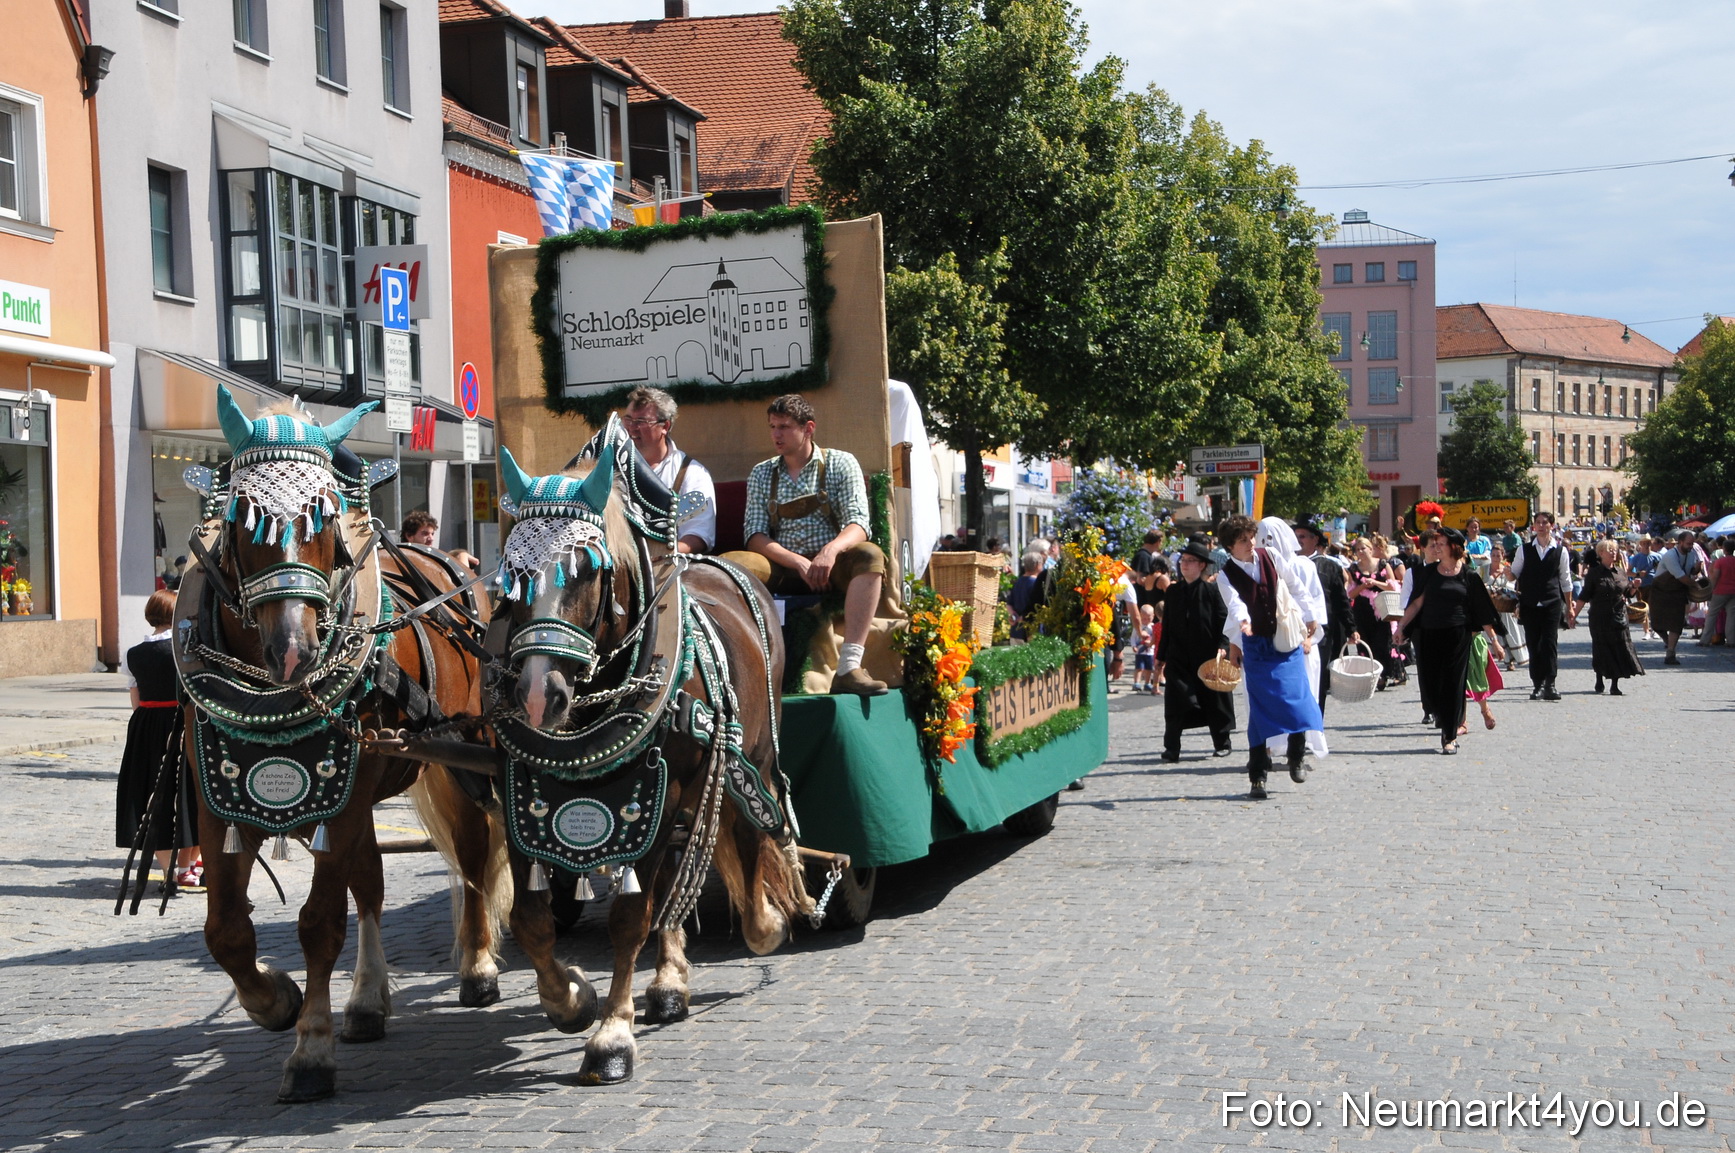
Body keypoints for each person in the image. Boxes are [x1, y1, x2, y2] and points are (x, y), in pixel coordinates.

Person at [728, 394, 889, 695]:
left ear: (808, 428)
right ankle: (733, 666)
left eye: (785, 427)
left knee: (870, 556)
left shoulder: (841, 463)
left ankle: (849, 667)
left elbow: (859, 524)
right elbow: (755, 536)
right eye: (773, 426)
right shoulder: (763, 472)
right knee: (731, 563)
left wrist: (829, 552)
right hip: (784, 566)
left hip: (832, 567)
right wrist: (798, 563)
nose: (776, 434)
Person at [1217, 515, 1323, 799]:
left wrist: (1310, 614)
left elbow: (1294, 584)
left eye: (1251, 537)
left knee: (1298, 700)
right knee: (1260, 711)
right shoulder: (1226, 574)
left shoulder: (1271, 555)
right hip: (1257, 647)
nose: (1251, 543)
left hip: (1285, 641)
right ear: (1230, 546)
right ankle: (1258, 775)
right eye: (1243, 540)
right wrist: (1243, 625)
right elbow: (1235, 604)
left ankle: (1297, 754)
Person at [116, 590, 201, 892]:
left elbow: (136, 700)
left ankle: (169, 873)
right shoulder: (185, 649)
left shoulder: (134, 653)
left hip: (147, 728)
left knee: (155, 798)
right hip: (183, 724)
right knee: (192, 795)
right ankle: (186, 867)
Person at [1393, 529, 1505, 754]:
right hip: (1430, 634)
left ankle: (1449, 736)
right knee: (1434, 685)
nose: (1437, 547)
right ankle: (1442, 717)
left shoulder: (1468, 575)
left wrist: (1495, 641)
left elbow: (1482, 611)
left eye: (1441, 543)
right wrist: (1402, 626)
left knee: (1454, 684)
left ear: (1453, 547)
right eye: (1435, 543)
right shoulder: (1429, 574)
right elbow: (1416, 604)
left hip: (1458, 636)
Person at [1154, 534, 1235, 762]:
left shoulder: (1211, 591)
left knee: (1214, 700)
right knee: (1176, 701)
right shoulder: (1173, 591)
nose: (1184, 564)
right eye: (1183, 560)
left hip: (1207, 655)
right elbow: (1167, 625)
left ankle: (1222, 742)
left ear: (1201, 566)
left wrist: (1223, 647)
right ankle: (1172, 748)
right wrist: (1161, 657)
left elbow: (1223, 621)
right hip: (1179, 656)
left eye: (1190, 561)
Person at [621, 385, 717, 554]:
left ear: (665, 426)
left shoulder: (691, 473)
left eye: (641, 422)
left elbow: (698, 535)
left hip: (667, 568)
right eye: (628, 419)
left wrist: (660, 557)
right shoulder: (610, 468)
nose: (631, 428)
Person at [1292, 518, 1356, 732]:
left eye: (1303, 536)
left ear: (1314, 540)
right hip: (1290, 630)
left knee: (1317, 679)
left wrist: (1351, 628)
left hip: (1321, 632)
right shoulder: (1285, 564)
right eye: (1296, 536)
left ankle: (1313, 724)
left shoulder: (1328, 565)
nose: (1298, 540)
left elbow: (1340, 600)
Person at [1510, 511, 1573, 699]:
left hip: (1552, 602)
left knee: (1549, 643)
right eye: (1538, 522)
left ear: (1551, 526)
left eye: (1545, 523)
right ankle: (1537, 684)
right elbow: (1515, 573)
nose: (1542, 526)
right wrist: (1507, 574)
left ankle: (1550, 684)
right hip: (1529, 602)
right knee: (1533, 643)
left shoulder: (1560, 551)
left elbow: (1566, 580)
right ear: (1534, 526)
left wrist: (1569, 606)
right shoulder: (1524, 549)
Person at [1570, 538, 1645, 694]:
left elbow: (1626, 593)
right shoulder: (1594, 573)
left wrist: (1634, 588)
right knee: (1601, 648)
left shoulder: (1621, 572)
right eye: (1610, 550)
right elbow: (1584, 596)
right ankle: (1599, 678)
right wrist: (1573, 615)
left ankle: (1614, 684)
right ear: (1601, 553)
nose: (1613, 552)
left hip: (1618, 616)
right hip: (1599, 616)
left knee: (1618, 647)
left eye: (1615, 550)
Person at [1347, 535, 1401, 690]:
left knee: (1382, 643)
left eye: (1364, 548)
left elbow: (1393, 587)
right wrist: (1363, 586)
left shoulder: (1383, 564)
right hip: (1362, 611)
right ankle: (1370, 676)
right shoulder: (1354, 568)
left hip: (1382, 609)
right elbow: (1350, 594)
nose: (1361, 552)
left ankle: (1383, 675)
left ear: (1371, 549)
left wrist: (1375, 583)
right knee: (1365, 644)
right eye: (1358, 549)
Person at [1650, 531, 1705, 665]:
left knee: (1676, 624)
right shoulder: (1670, 556)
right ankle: (1667, 641)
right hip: (1661, 591)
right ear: (1680, 543)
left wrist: (1696, 569)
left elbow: (1689, 572)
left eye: (1692, 543)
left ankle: (1670, 653)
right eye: (1688, 543)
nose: (1691, 546)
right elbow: (1682, 577)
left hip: (1678, 591)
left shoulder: (1691, 553)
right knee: (1657, 624)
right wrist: (1696, 586)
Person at [1698, 538, 1735, 647]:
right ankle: (1732, 641)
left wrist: (1711, 589)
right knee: (1731, 616)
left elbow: (1715, 577)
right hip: (1733, 591)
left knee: (1712, 615)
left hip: (1720, 591)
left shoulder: (1720, 562)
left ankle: (1705, 640)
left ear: (1724, 549)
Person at [1629, 536, 1658, 639]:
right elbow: (1628, 572)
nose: (1646, 546)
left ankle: (1655, 630)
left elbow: (1662, 570)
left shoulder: (1657, 556)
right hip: (1641, 586)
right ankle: (1646, 631)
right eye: (1644, 543)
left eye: (1648, 543)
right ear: (1640, 544)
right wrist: (1637, 574)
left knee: (1654, 608)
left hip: (1654, 585)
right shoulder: (1636, 558)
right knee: (1643, 608)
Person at [1132, 603, 1158, 692]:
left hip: (1150, 652)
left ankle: (1147, 683)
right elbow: (1133, 637)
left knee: (1149, 668)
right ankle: (1136, 683)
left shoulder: (1153, 627)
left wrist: (1152, 644)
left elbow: (1156, 638)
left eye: (1148, 618)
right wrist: (1133, 646)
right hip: (1140, 651)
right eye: (1144, 618)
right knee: (1139, 668)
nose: (1146, 620)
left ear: (1153, 616)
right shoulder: (1138, 627)